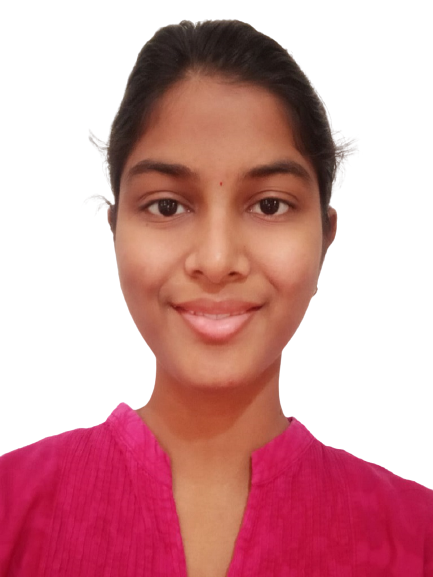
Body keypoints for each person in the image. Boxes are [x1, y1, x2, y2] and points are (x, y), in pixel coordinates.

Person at [0, 19, 432, 577]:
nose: (217, 258)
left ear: (325, 239)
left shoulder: (418, 537)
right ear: (115, 231)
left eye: (270, 205)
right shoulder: (10, 511)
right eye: (167, 206)